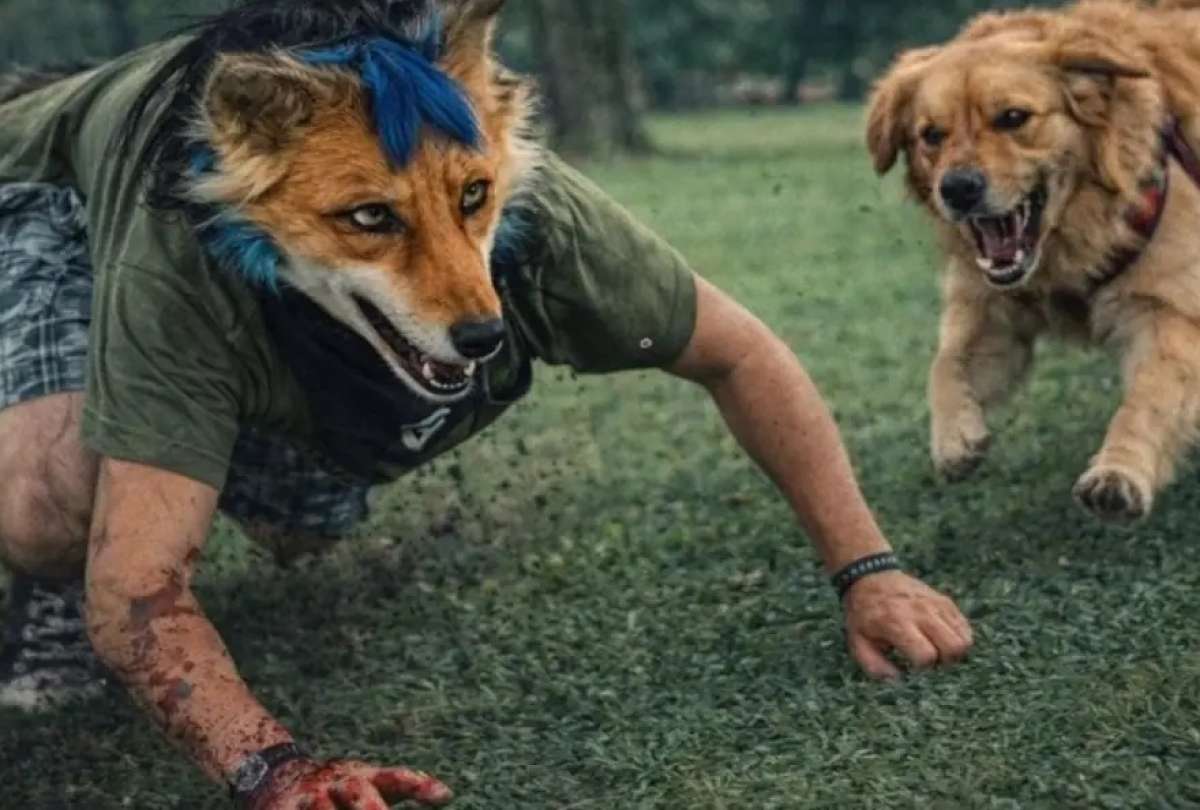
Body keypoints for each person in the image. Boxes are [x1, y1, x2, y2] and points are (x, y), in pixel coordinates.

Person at [0, 0, 973, 807]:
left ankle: (213, 437)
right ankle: (48, 571)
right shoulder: (171, 272)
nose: (471, 302)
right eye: (374, 217)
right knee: (52, 517)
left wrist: (871, 572)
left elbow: (741, 356)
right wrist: (276, 772)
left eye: (471, 199)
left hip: (274, 254)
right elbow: (135, 598)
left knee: (302, 524)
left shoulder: (541, 210)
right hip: (38, 196)